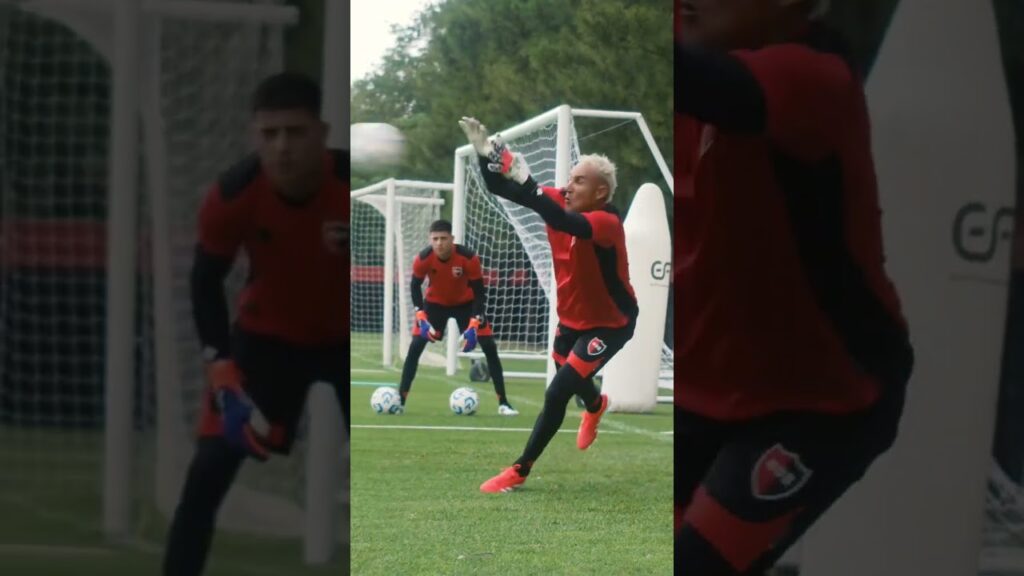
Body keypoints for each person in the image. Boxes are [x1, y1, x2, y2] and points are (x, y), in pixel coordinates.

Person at [675, 0, 915, 573]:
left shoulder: (814, 76)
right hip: (704, 389)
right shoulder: (702, 35)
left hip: (824, 402)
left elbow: (710, 87)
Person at [163, 72, 348, 576]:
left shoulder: (353, 187)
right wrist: (218, 362)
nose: (283, 147)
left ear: (323, 132)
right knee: (205, 477)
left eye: (295, 131)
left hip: (345, 346)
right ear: (255, 137)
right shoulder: (231, 195)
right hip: (266, 342)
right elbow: (205, 280)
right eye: (270, 134)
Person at [458, 117, 638, 494]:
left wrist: (527, 182)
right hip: (571, 318)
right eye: (570, 179)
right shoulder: (558, 199)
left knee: (557, 392)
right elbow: (497, 185)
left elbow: (561, 219)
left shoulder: (607, 222)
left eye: (578, 181)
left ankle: (519, 470)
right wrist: (482, 155)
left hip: (611, 323)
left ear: (601, 191)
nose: (568, 187)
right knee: (573, 382)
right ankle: (596, 403)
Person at [398, 218, 518, 416]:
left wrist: (474, 322)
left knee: (489, 346)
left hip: (467, 305)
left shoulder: (468, 258)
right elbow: (414, 287)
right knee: (416, 346)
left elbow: (480, 293)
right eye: (435, 239)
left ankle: (503, 403)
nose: (439, 243)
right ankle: (400, 401)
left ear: (452, 239)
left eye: (443, 238)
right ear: (430, 239)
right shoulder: (423, 259)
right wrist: (420, 312)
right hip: (435, 305)